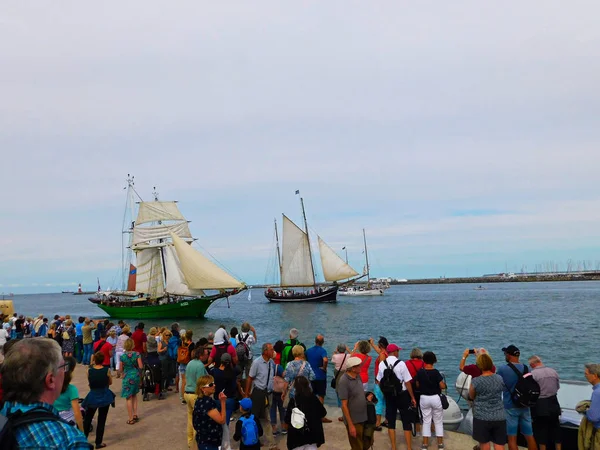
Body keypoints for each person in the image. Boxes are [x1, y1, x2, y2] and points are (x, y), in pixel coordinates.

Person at [0, 338, 91, 449]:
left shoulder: (5, 410)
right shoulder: (70, 440)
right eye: (63, 367)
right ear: (50, 380)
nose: (65, 372)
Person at [375, 343, 417, 450]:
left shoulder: (382, 364)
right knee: (406, 421)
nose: (399, 352)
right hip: (402, 395)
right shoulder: (401, 364)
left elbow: (378, 381)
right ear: (395, 352)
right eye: (398, 350)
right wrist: (412, 397)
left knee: (391, 422)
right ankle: (409, 447)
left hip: (389, 396)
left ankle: (393, 447)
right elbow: (407, 382)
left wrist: (385, 392)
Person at [496, 345, 538, 450]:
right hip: (525, 405)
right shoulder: (526, 368)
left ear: (509, 355)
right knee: (529, 436)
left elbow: (497, 385)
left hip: (510, 406)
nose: (505, 355)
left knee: (512, 439)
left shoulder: (503, 369)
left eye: (505, 353)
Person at [468, 353, 507, 450]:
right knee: (499, 444)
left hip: (482, 416)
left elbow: (471, 396)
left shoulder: (476, 381)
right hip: (499, 415)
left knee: (485, 444)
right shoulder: (499, 378)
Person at [245, 342, 277, 450]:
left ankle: (269, 443)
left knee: (265, 417)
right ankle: (262, 441)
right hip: (258, 393)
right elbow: (250, 378)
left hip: (268, 394)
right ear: (265, 351)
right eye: (271, 349)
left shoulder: (271, 362)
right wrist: (246, 394)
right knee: (257, 417)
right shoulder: (257, 363)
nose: (273, 351)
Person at [82, 351, 115, 449]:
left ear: (94, 360)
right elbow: (110, 382)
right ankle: (98, 442)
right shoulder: (106, 370)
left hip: (93, 395)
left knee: (88, 418)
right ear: (103, 360)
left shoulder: (89, 371)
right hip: (104, 395)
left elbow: (89, 382)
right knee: (102, 419)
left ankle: (84, 439)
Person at [283, 375, 326, 449]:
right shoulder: (314, 398)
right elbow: (323, 413)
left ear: (295, 387)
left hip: (297, 438)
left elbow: (287, 420)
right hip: (312, 437)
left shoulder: (294, 401)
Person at [529, 355, 561, 450]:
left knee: (541, 429)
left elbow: (531, 391)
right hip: (554, 401)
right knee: (556, 428)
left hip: (540, 404)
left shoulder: (533, 374)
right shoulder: (553, 371)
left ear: (532, 364)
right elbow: (557, 387)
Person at [415, 351, 446, 449]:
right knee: (438, 421)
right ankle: (440, 444)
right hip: (435, 398)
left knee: (426, 421)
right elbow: (442, 386)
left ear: (423, 360)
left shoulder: (420, 372)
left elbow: (417, 385)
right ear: (434, 361)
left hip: (424, 398)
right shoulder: (436, 372)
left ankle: (425, 444)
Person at [337, 356, 368, 450]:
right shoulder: (344, 381)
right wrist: (351, 425)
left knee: (366, 442)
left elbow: (359, 392)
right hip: (354, 420)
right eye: (358, 366)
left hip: (363, 416)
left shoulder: (358, 376)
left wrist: (368, 395)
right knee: (357, 446)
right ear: (353, 368)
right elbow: (344, 405)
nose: (360, 367)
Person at [193, 374, 227, 450]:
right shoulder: (207, 402)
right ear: (203, 388)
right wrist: (223, 402)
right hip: (209, 442)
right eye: (211, 384)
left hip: (202, 439)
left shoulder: (199, 400)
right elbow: (222, 420)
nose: (214, 385)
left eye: (214, 383)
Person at [184, 347, 209, 448]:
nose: (207, 356)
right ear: (201, 355)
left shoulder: (190, 363)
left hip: (187, 393)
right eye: (206, 354)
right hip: (195, 395)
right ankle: (196, 444)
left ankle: (190, 442)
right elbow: (201, 382)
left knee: (190, 419)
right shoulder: (200, 365)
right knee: (198, 421)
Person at [53, 356, 84, 432]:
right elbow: (77, 413)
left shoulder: (50, 386)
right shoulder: (71, 389)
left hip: (53, 419)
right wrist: (82, 431)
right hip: (69, 422)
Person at [212, 353, 241, 425]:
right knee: (226, 423)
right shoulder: (233, 371)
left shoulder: (214, 371)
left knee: (217, 421)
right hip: (230, 399)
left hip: (218, 398)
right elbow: (239, 369)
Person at [119, 337, 143, 424]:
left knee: (128, 397)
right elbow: (140, 366)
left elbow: (120, 369)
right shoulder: (137, 354)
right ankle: (135, 414)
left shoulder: (123, 356)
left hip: (127, 376)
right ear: (132, 345)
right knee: (134, 395)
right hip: (135, 375)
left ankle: (130, 418)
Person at [305, 335, 329, 408]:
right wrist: (324, 368)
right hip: (321, 376)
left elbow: (304, 360)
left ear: (315, 341)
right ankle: (321, 415)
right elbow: (325, 360)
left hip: (311, 376)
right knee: (321, 396)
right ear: (323, 342)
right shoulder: (323, 351)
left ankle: (312, 414)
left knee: (311, 395)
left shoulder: (308, 351)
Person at [178, 329, 195, 403]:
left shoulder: (181, 342)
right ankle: (188, 396)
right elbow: (192, 355)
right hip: (188, 363)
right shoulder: (191, 344)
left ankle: (182, 398)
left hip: (182, 363)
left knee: (183, 381)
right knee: (188, 381)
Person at [583, 363, 600, 429]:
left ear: (595, 376)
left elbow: (593, 417)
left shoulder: (597, 393)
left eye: (586, 374)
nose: (585, 376)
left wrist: (584, 411)